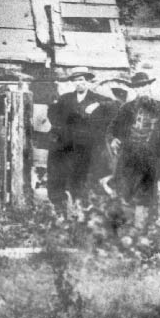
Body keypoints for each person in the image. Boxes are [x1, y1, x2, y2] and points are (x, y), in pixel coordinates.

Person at [109, 70, 160, 220]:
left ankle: (141, 230)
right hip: (129, 158)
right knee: (125, 193)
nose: (142, 90)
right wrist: (113, 138)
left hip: (150, 160)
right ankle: (125, 230)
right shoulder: (127, 108)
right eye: (138, 87)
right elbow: (114, 128)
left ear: (150, 86)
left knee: (145, 196)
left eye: (145, 86)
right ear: (134, 89)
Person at [46, 67, 110, 211]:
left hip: (87, 147)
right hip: (68, 145)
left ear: (88, 81)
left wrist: (97, 105)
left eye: (81, 80)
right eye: (75, 81)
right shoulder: (66, 98)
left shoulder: (97, 98)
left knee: (83, 178)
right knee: (62, 174)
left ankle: (82, 208)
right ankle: (63, 208)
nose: (78, 84)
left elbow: (116, 106)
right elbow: (52, 114)